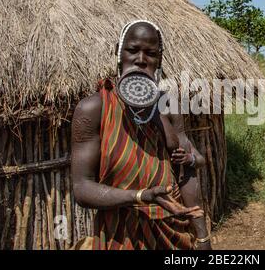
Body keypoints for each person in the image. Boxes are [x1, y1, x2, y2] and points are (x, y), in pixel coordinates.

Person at [71, 20, 204, 250]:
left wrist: (202, 238)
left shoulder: (168, 107)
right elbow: (82, 189)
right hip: (119, 237)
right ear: (119, 53)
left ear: (158, 59)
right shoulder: (94, 109)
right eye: (133, 50)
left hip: (173, 235)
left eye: (150, 53)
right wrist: (141, 196)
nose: (141, 59)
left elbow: (187, 171)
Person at [168, 114, 213, 250]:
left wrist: (203, 236)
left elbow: (199, 160)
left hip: (168, 206)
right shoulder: (104, 103)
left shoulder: (168, 106)